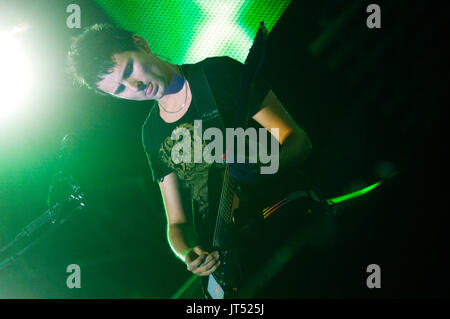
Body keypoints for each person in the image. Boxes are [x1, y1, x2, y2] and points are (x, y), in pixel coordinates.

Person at [67, 23, 312, 278]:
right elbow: (177, 224)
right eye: (120, 89)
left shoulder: (217, 74)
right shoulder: (151, 133)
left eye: (129, 69)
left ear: (140, 44)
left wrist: (266, 167)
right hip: (237, 264)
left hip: (290, 226)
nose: (134, 85)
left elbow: (298, 141)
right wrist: (188, 254)